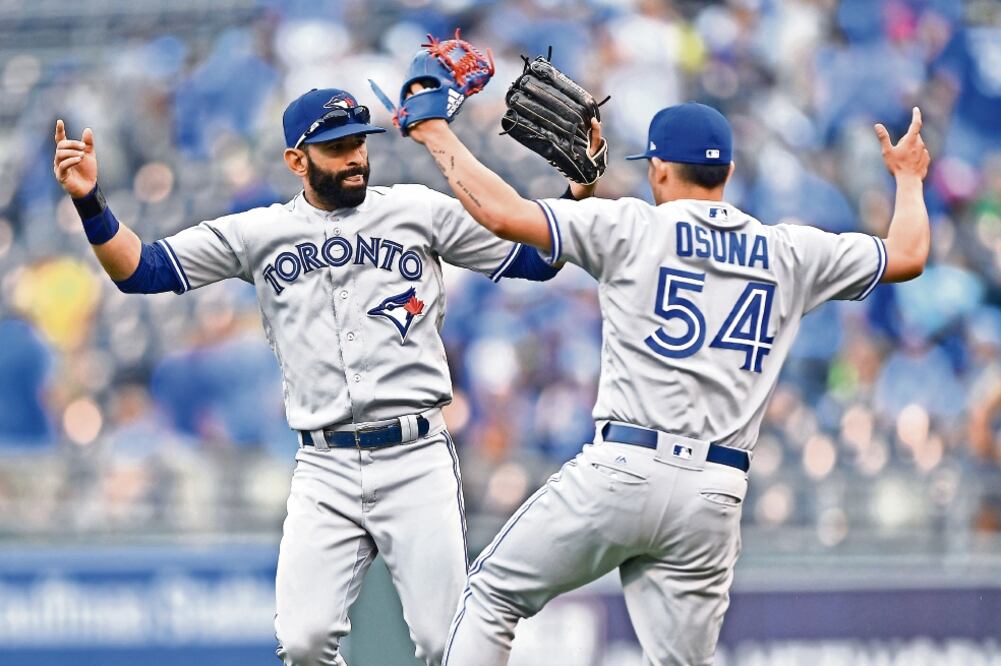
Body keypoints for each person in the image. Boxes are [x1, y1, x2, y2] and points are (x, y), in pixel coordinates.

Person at [52, 86, 600, 666]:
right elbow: (141, 270)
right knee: (304, 641)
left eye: (359, 142)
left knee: (447, 643)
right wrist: (91, 202)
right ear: (297, 160)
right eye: (336, 147)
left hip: (415, 457)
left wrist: (578, 191)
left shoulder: (415, 209)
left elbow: (536, 261)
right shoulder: (260, 232)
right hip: (325, 465)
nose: (355, 156)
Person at [404, 101, 930, 665]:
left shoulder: (632, 224)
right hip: (715, 492)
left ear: (657, 169)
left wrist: (435, 132)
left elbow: (504, 216)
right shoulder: (791, 250)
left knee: (491, 595)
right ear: (727, 172)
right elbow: (907, 254)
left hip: (624, 469)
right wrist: (907, 179)